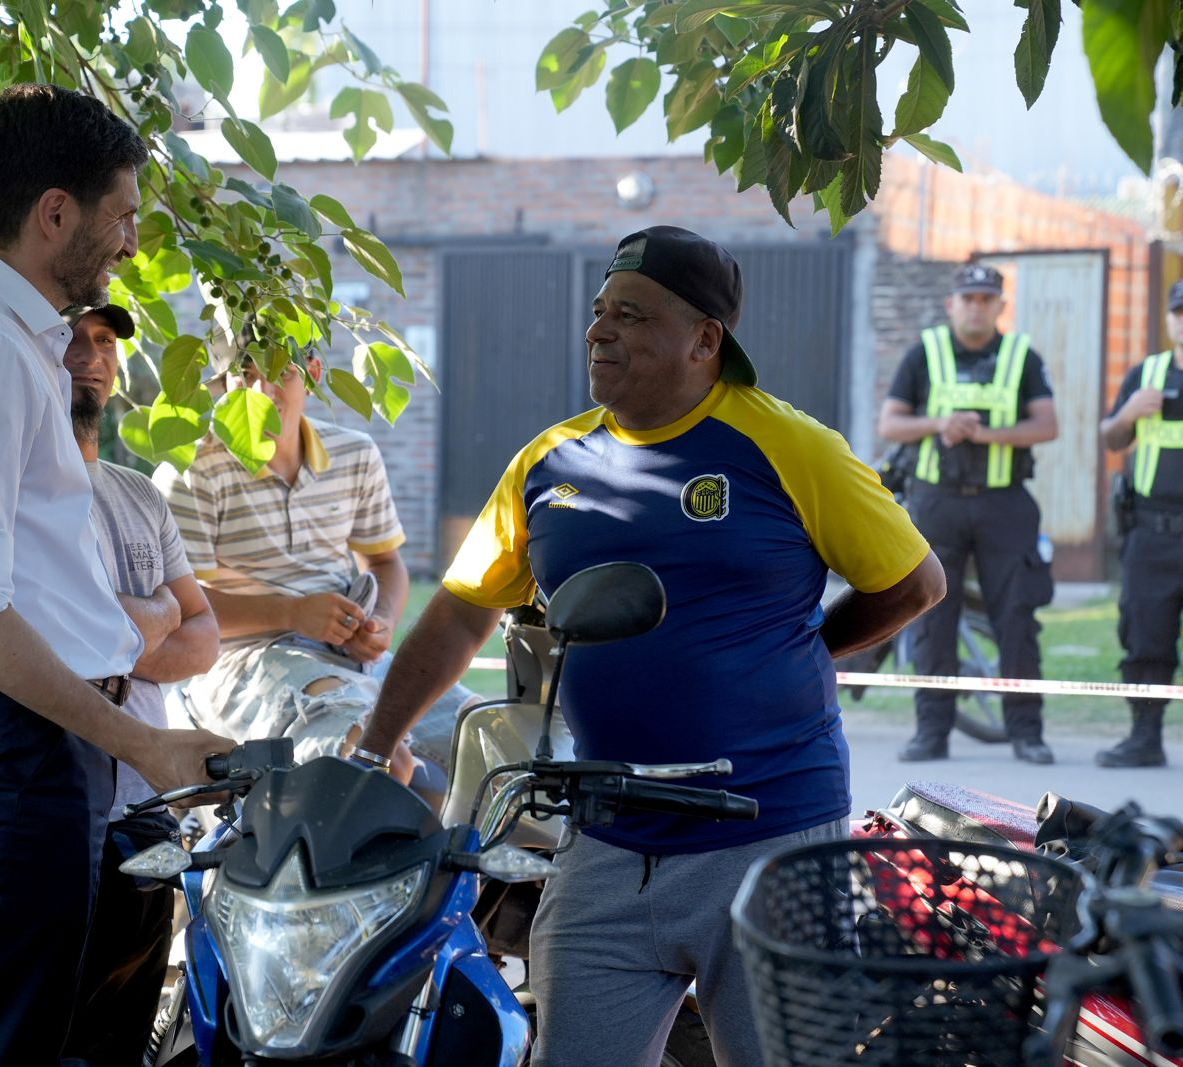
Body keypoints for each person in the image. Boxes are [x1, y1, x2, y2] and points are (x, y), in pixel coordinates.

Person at [355, 226, 946, 1067]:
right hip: (608, 844)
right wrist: (374, 746)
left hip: (770, 833)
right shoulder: (548, 463)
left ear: (705, 340)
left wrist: (805, 648)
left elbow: (914, 584)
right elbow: (459, 613)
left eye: (631, 315)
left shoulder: (791, 447)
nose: (599, 330)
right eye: (600, 311)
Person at [0, 85, 228, 1067]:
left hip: (38, 749)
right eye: (123, 215)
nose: (132, 244)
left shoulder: (9, 341)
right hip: (13, 750)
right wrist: (140, 742)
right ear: (56, 213)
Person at [153, 339, 473, 780]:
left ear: (313, 374)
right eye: (246, 375)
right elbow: (179, 609)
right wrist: (292, 613)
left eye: (280, 372)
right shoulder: (193, 468)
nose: (263, 391)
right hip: (244, 662)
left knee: (491, 738)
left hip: (353, 656)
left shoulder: (354, 453)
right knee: (378, 762)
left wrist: (379, 624)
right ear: (222, 386)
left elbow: (385, 562)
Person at [53, 303, 221, 1065]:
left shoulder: (140, 495)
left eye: (103, 341)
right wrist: (157, 615)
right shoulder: (25, 491)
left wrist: (111, 630)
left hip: (145, 807)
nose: (89, 355)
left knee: (121, 1036)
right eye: (70, 337)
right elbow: (45, 632)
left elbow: (205, 638)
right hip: (52, 800)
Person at [877, 262, 1060, 765]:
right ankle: (931, 733)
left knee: (1017, 618)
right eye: (968, 299)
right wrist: (941, 423)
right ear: (951, 304)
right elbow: (891, 424)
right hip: (938, 501)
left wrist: (986, 434)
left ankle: (1027, 733)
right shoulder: (924, 352)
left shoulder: (1021, 357)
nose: (976, 308)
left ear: (1000, 306)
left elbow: (1047, 426)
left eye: (986, 299)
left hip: (1005, 503)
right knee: (933, 619)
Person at [1095, 279, 1183, 768]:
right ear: (1169, 318)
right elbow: (1111, 438)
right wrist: (1128, 413)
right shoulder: (1146, 374)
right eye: (1179, 312)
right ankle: (1144, 737)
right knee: (1145, 637)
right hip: (1151, 534)